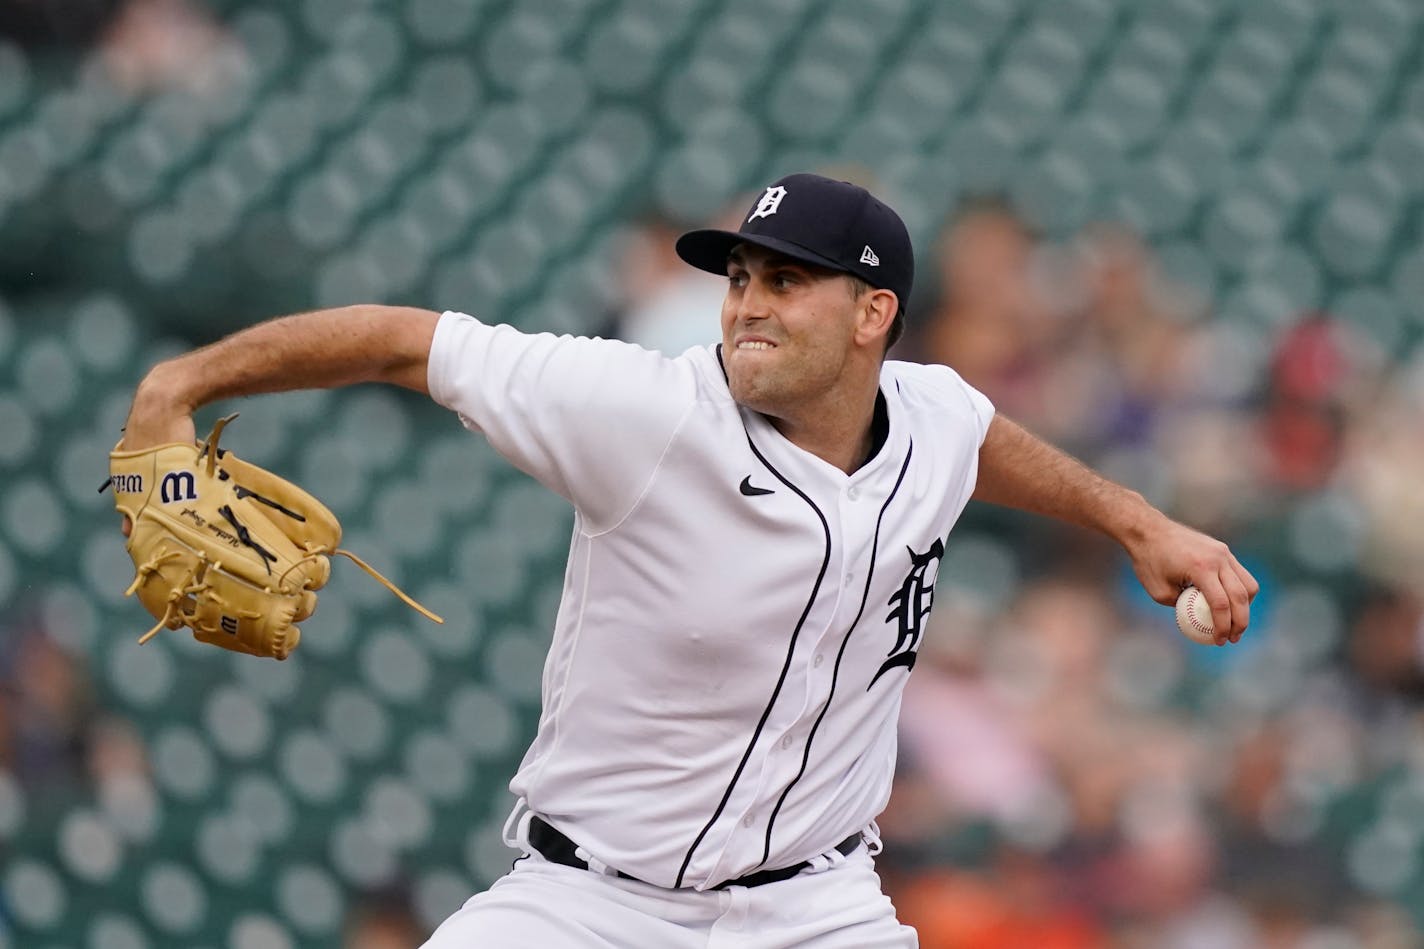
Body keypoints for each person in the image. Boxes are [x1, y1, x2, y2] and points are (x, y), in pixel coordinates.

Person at [120, 172, 1257, 947]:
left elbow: (981, 446)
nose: (747, 306)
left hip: (813, 908)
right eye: (739, 278)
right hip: (587, 905)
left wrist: (1135, 523)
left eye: (784, 281)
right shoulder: (641, 411)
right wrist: (179, 387)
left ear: (873, 314)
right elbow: (400, 341)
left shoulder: (934, 417)